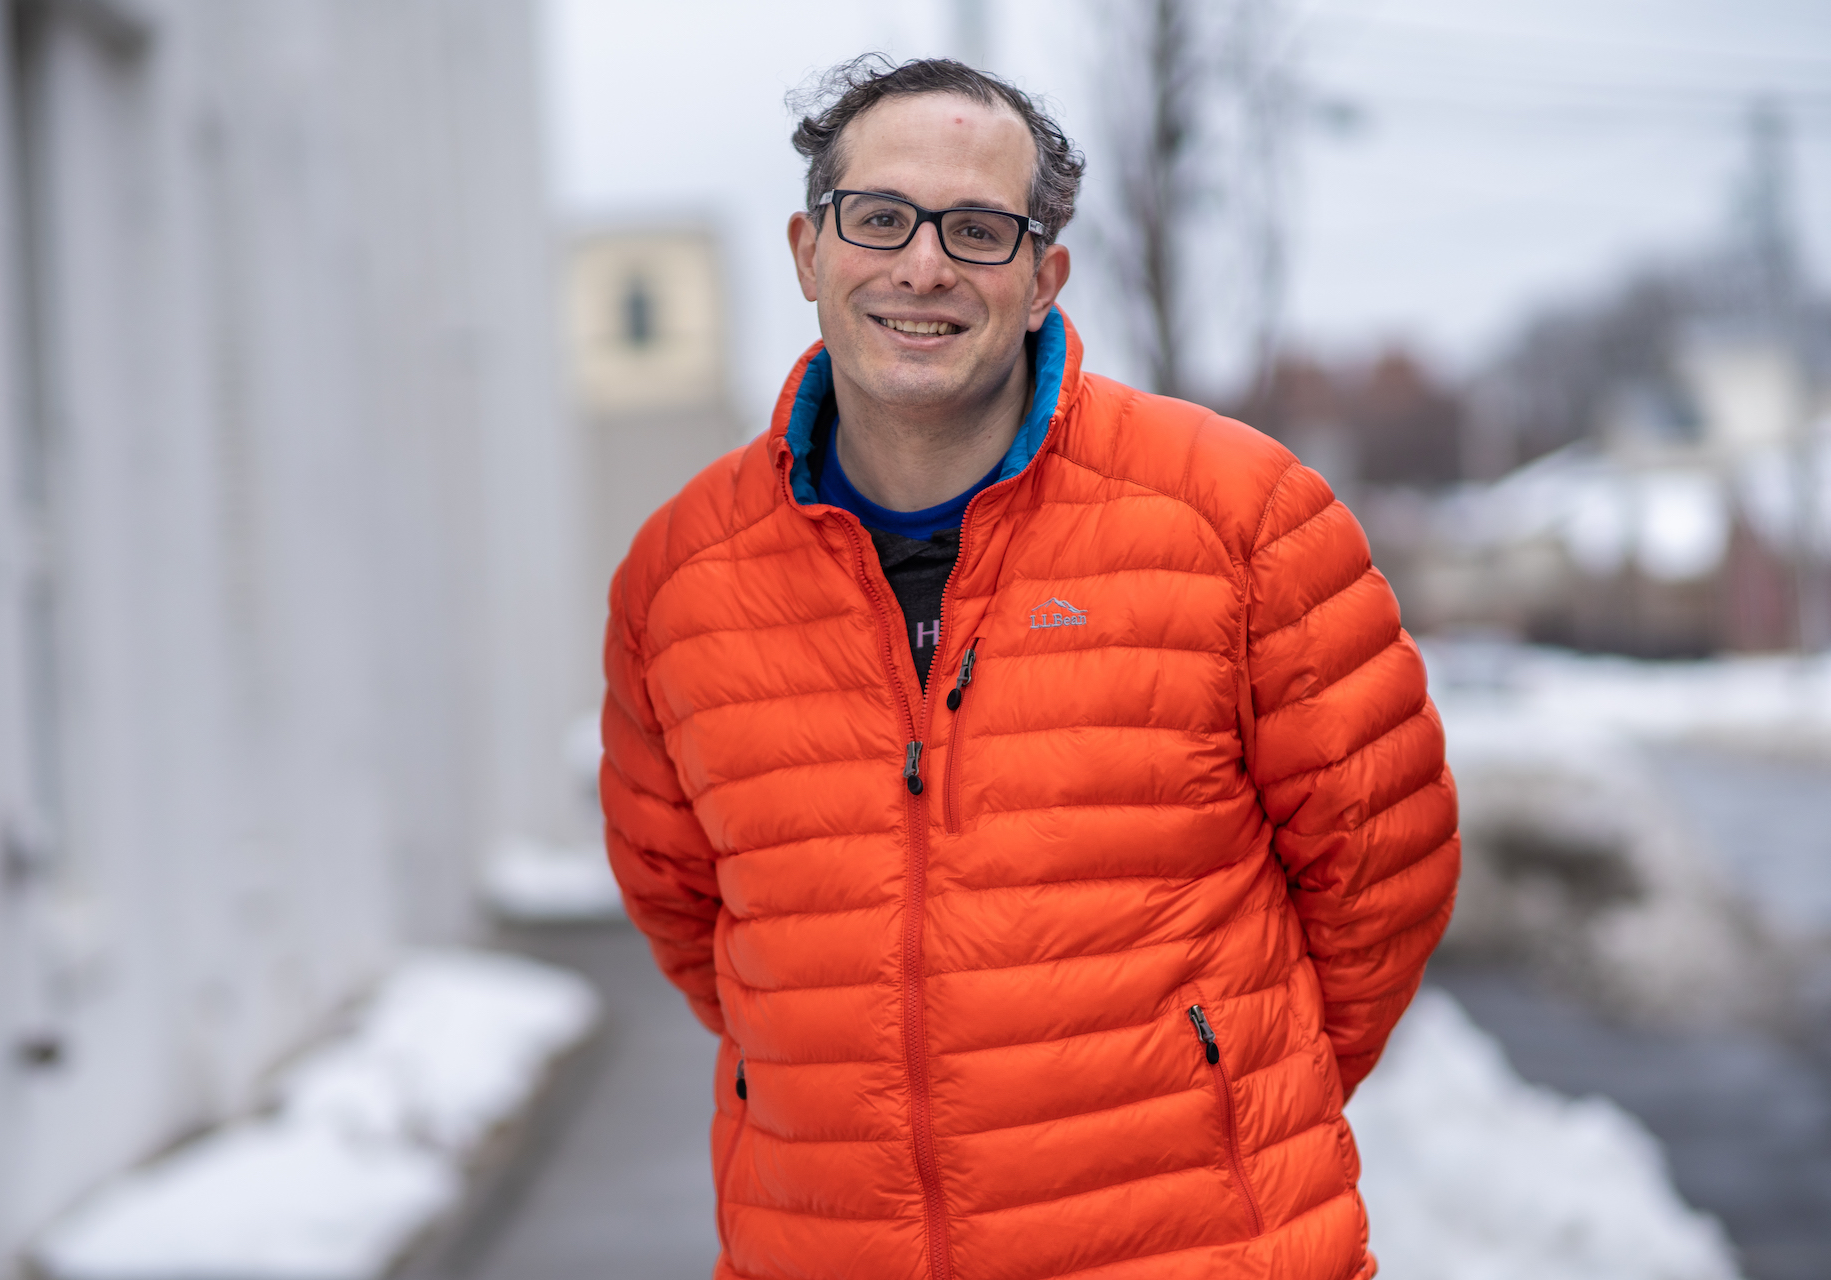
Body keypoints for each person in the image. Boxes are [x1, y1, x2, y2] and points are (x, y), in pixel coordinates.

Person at [600, 55, 1459, 1280]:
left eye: (979, 229)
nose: (924, 266)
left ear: (1045, 275)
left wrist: (1215, 1086)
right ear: (808, 250)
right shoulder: (680, 576)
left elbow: (1382, 876)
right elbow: (692, 911)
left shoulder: (1243, 519)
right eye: (880, 217)